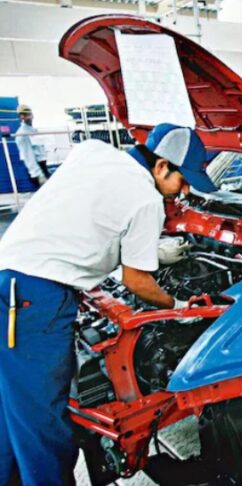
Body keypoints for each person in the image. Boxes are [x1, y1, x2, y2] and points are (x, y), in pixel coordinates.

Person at [0, 123, 217, 485]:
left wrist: (146, 250)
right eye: (183, 180)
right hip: (35, 297)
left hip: (9, 275)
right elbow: (137, 281)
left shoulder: (93, 151)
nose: (185, 191)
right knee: (45, 422)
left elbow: (90, 214)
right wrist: (178, 305)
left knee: (13, 407)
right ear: (162, 166)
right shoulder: (146, 199)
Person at [14, 104, 49, 188]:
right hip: (37, 171)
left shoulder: (33, 131)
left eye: (29, 114)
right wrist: (39, 176)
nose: (29, 117)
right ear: (21, 117)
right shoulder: (22, 134)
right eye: (25, 115)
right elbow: (28, 156)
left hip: (43, 167)